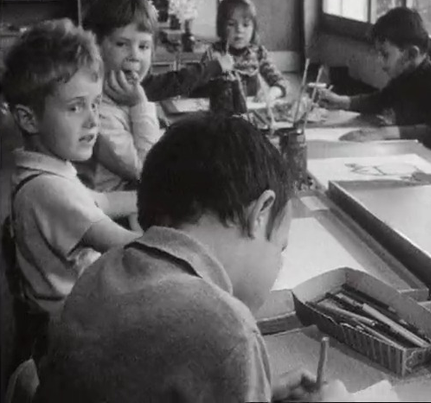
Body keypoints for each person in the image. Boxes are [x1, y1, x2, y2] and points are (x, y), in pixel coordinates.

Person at [34, 113, 352, 402]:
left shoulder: (99, 274)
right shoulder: (228, 330)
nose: (280, 266)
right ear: (261, 213)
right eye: (280, 248)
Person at [1, 19, 139, 354]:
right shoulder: (50, 190)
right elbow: (131, 246)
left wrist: (150, 197)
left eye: (96, 103)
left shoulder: (42, 168)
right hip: (67, 339)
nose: (93, 120)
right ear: (28, 118)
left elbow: (101, 202)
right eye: (75, 107)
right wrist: (191, 234)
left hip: (62, 319)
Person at [81, 0, 223, 191]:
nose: (135, 56)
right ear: (95, 47)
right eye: (122, 44)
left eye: (144, 46)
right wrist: (140, 104)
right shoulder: (99, 112)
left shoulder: (125, 93)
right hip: (117, 210)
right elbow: (148, 170)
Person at [318, 7, 431, 149]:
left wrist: (386, 132)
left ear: (411, 54)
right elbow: (381, 100)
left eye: (385, 54)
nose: (379, 61)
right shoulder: (405, 76)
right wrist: (343, 102)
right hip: (412, 152)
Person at [201, 0, 290, 102]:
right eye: (231, 24)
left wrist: (272, 93)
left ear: (254, 29)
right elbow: (196, 85)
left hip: (251, 113)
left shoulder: (258, 52)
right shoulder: (213, 52)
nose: (239, 30)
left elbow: (282, 83)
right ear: (221, 27)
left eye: (246, 25)